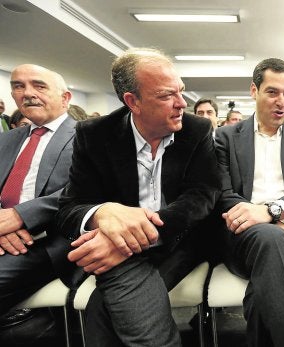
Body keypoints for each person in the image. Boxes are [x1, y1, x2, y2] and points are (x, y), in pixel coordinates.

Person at [55, 47, 221, 346]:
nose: (182, 103)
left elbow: (203, 196)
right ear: (133, 101)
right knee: (107, 304)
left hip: (179, 239)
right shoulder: (94, 134)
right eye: (166, 95)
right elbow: (69, 208)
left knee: (102, 306)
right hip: (115, 248)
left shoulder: (196, 130)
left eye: (181, 91)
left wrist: (138, 233)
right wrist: (104, 213)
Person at [212, 58, 284, 347]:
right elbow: (224, 194)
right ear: (254, 91)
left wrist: (274, 213)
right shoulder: (226, 137)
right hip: (242, 233)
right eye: (272, 92)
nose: (281, 102)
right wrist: (277, 222)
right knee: (273, 241)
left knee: (263, 292)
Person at [0, 64, 83, 325]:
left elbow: (85, 189)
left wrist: (19, 217)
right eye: (18, 86)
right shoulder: (7, 139)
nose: (27, 93)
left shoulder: (88, 137)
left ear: (65, 98)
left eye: (39, 85)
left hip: (48, 240)